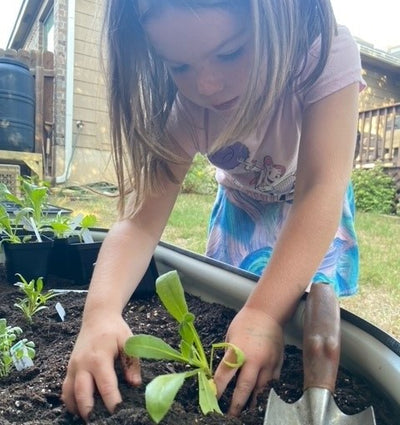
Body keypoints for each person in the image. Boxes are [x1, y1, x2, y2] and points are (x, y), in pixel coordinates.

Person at [62, 0, 365, 420]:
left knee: (300, 304)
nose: (205, 85)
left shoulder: (321, 56)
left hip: (312, 201)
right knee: (235, 304)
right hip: (241, 206)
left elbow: (320, 189)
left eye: (229, 53)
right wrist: (99, 313)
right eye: (178, 67)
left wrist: (263, 313)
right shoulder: (187, 113)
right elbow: (137, 225)